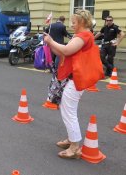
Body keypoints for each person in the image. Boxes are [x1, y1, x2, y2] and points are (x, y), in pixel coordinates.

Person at [43, 9, 95, 159]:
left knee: (69, 111)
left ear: (82, 22)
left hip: (76, 79)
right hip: (73, 78)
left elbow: (65, 51)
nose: (71, 25)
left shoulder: (84, 35)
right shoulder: (82, 35)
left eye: (74, 22)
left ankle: (74, 147)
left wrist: (51, 41)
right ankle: (71, 140)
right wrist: (50, 43)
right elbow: (62, 52)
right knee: (67, 110)